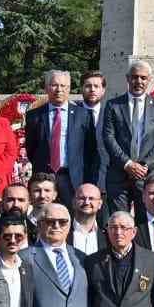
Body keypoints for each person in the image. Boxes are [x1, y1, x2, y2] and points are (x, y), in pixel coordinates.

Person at [101, 62, 154, 214]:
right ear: (127, 78)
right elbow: (108, 137)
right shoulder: (113, 105)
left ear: (149, 80)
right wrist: (127, 164)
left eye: (143, 78)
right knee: (119, 221)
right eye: (134, 77)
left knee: (144, 223)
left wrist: (144, 164)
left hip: (147, 175)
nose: (139, 81)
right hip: (119, 174)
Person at [24, 70, 96, 207]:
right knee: (43, 217)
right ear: (46, 88)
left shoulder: (84, 115)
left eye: (63, 86)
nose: (59, 90)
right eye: (54, 85)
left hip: (72, 178)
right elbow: (31, 148)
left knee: (72, 216)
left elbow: (90, 149)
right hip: (44, 178)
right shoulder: (34, 116)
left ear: (69, 89)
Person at [70, 183, 107, 258]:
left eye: (91, 199)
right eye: (82, 198)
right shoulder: (62, 232)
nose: (87, 202)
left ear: (100, 204)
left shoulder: (108, 236)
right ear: (74, 202)